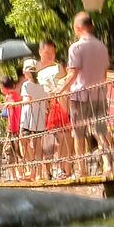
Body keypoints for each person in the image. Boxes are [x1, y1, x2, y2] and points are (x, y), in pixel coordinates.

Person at [61, 12, 112, 175]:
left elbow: (73, 74)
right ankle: (108, 164)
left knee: (79, 134)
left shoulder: (76, 47)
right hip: (99, 95)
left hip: (80, 96)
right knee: (101, 130)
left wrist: (60, 90)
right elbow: (104, 74)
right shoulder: (102, 47)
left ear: (78, 28)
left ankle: (82, 169)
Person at [37, 39, 71, 177]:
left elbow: (64, 88)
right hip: (41, 109)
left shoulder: (59, 68)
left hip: (58, 107)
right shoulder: (36, 70)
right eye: (47, 53)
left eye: (53, 53)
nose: (50, 56)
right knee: (46, 143)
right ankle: (47, 171)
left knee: (63, 137)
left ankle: (63, 168)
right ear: (40, 52)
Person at [19, 59, 48, 179]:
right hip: (39, 119)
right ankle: (38, 173)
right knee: (37, 145)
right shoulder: (42, 86)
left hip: (27, 119)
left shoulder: (26, 85)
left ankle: (32, 169)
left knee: (23, 141)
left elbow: (27, 100)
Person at [0, 75, 25, 180]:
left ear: (3, 87)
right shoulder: (16, 95)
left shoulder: (10, 97)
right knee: (16, 151)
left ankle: (14, 175)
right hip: (17, 127)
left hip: (13, 128)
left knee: (9, 151)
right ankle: (18, 174)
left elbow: (11, 109)